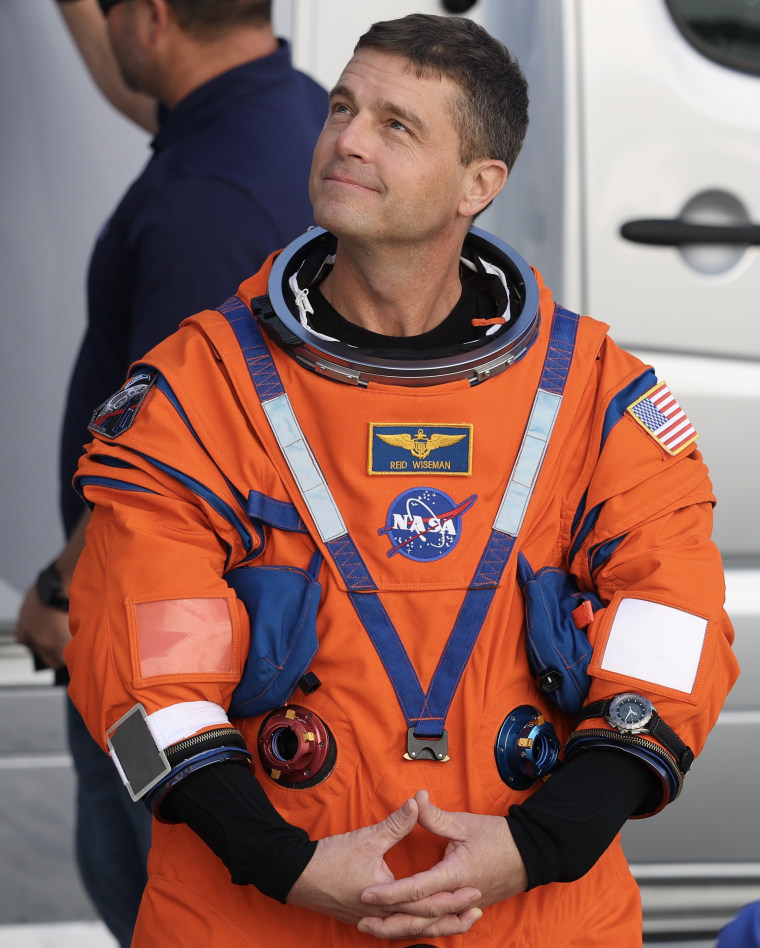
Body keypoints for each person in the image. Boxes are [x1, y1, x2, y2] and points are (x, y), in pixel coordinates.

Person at [65, 13, 739, 947]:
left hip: (530, 915)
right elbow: (141, 672)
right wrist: (285, 864)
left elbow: (673, 630)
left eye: (396, 124)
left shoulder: (586, 394)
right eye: (343, 107)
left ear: (480, 184)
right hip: (259, 913)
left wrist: (541, 843)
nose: (345, 138)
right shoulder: (201, 390)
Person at [13, 1, 326, 944]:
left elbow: (159, 458)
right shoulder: (287, 114)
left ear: (150, 17)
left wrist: (60, 593)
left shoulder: (208, 198)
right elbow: (141, 92)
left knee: (149, 885)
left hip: (160, 633)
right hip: (237, 609)